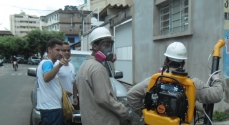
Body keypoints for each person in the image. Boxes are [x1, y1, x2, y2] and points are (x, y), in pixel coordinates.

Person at [127, 42, 224, 116]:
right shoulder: (192, 84)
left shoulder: (153, 81)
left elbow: (131, 95)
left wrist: (144, 113)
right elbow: (217, 94)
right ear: (183, 63)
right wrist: (216, 79)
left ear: (166, 60)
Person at [76, 27, 130, 125]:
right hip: (102, 120)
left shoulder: (84, 65)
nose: (108, 49)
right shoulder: (98, 68)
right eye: (105, 45)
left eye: (110, 45)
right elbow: (104, 99)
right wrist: (124, 111)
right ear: (95, 46)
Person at [36, 38, 69, 125]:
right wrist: (59, 65)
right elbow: (46, 78)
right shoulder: (48, 63)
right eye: (57, 50)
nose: (60, 53)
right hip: (51, 109)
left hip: (52, 108)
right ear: (49, 49)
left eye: (61, 50)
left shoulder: (50, 64)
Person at [54, 42, 78, 125]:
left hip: (69, 104)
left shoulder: (71, 66)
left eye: (68, 50)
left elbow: (74, 82)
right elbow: (53, 84)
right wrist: (63, 92)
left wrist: (75, 96)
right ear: (60, 52)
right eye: (64, 50)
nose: (67, 52)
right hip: (59, 104)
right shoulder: (56, 65)